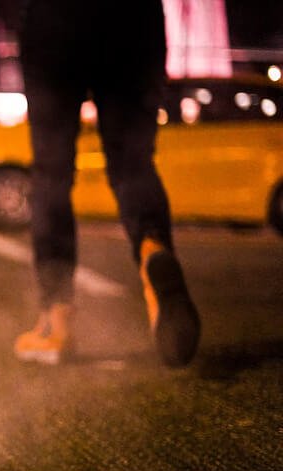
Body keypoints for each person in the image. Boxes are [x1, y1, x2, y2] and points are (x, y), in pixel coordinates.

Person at [14, 0, 200, 367]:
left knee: (52, 172)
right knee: (133, 162)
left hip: (54, 24)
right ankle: (152, 249)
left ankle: (56, 318)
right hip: (131, 20)